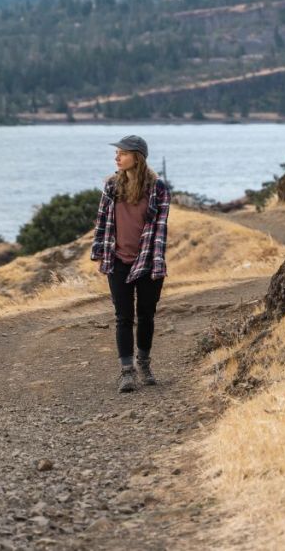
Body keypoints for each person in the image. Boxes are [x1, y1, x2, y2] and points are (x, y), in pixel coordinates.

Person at [90, 134, 171, 393]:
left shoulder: (158, 189)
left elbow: (160, 229)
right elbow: (102, 222)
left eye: (122, 153)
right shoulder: (112, 186)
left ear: (136, 157)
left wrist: (157, 264)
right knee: (123, 317)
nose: (117, 157)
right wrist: (100, 254)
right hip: (118, 259)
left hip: (148, 260)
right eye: (117, 153)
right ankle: (127, 372)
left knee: (146, 316)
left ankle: (144, 364)